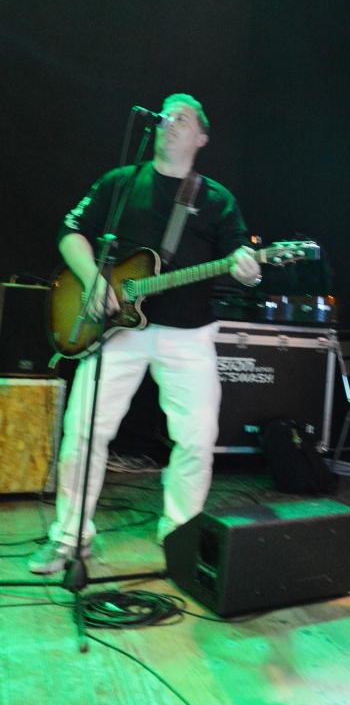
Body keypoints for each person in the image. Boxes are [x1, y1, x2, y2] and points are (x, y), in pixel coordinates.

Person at [29, 93, 261, 575]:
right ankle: (70, 537)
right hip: (117, 331)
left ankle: (180, 538)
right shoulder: (120, 182)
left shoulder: (217, 200)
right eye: (166, 115)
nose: (169, 121)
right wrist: (93, 278)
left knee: (197, 438)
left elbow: (241, 256)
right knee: (84, 430)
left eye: (183, 117)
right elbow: (71, 232)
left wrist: (249, 267)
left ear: (201, 137)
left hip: (189, 335)